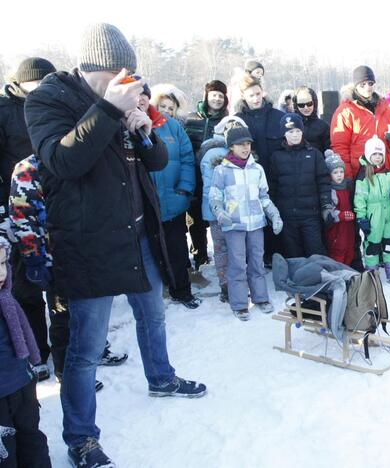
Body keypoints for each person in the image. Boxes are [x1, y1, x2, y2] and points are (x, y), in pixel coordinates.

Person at [24, 23, 207, 466]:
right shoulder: (49, 99)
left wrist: (144, 130)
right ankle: (81, 437)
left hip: (137, 233)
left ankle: (161, 377)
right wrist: (109, 109)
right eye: (120, 73)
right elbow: (62, 161)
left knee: (153, 315)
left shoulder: (119, 99)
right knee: (86, 350)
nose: (130, 81)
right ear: (94, 69)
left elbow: (159, 161)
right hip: (88, 244)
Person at [10, 152, 127, 391]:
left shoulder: (84, 158)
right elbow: (22, 218)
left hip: (91, 253)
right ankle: (67, 372)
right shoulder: (28, 168)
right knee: (63, 316)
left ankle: (95, 350)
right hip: (56, 259)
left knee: (94, 309)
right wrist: (34, 259)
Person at [0, 57, 56, 382]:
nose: (40, 88)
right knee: (27, 286)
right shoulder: (6, 109)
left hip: (56, 207)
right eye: (35, 83)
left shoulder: (56, 104)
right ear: (20, 83)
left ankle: (70, 349)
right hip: (16, 208)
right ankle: (38, 354)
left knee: (64, 288)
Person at [208, 126, 283, 321]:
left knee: (257, 261)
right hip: (234, 225)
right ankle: (240, 303)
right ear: (231, 146)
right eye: (240, 144)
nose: (245, 148)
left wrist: (274, 215)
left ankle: (261, 297)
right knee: (238, 263)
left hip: (256, 223)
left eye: (248, 144)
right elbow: (215, 197)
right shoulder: (221, 170)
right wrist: (220, 212)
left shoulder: (256, 169)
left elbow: (263, 196)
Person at [139, 86, 201, 308]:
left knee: (177, 247)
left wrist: (184, 190)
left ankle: (182, 291)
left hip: (173, 200)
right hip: (146, 204)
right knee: (151, 251)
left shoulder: (174, 128)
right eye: (162, 106)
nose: (165, 111)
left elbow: (186, 159)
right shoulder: (134, 125)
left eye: (170, 108)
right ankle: (157, 291)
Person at [0, 237, 51, 468]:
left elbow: (24, 338)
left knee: (32, 440)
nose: (1, 273)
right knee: (5, 453)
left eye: (2, 264)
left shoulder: (7, 300)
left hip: (22, 385)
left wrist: (30, 368)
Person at [235, 74, 285, 268]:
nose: (255, 98)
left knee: (277, 217)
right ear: (243, 96)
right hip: (250, 181)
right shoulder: (239, 120)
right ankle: (258, 259)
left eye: (258, 93)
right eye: (251, 95)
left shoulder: (278, 117)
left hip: (277, 178)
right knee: (256, 220)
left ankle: (277, 256)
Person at [199, 116, 249, 303]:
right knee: (224, 250)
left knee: (235, 250)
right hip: (219, 212)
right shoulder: (214, 155)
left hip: (237, 212)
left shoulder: (240, 152)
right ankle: (227, 286)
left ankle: (235, 284)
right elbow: (210, 188)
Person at [267, 113, 331, 258]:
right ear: (284, 134)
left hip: (310, 215)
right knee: (293, 255)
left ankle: (319, 279)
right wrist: (273, 212)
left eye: (298, 131)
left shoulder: (314, 154)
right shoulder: (277, 156)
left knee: (315, 252)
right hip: (287, 216)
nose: (295, 135)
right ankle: (298, 280)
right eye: (290, 131)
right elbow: (272, 186)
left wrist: (326, 205)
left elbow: (323, 181)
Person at [183, 80, 229, 270]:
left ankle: (222, 252)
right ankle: (200, 255)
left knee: (217, 211)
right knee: (195, 217)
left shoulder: (226, 121)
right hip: (194, 173)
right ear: (206, 96)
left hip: (216, 174)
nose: (217, 99)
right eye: (213, 95)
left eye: (220, 95)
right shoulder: (191, 119)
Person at [330, 66, 390, 181]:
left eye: (370, 83)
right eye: (362, 84)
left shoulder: (385, 107)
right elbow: (340, 147)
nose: (367, 87)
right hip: (360, 173)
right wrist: (347, 176)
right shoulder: (345, 111)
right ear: (356, 86)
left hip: (384, 171)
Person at [354, 136, 390, 285]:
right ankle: (372, 277)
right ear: (369, 155)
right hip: (373, 216)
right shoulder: (364, 175)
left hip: (389, 214)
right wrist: (361, 217)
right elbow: (360, 198)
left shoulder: (388, 172)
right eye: (374, 154)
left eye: (380, 154)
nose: (377, 157)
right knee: (372, 245)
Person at [323, 150, 356, 266]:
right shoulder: (331, 190)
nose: (339, 175)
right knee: (338, 251)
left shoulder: (347, 187)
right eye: (335, 172)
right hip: (337, 228)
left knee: (350, 250)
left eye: (341, 171)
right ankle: (339, 274)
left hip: (349, 227)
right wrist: (340, 215)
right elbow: (328, 211)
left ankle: (348, 273)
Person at [292, 86, 330, 153]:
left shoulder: (323, 126)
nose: (306, 108)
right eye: (301, 105)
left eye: (309, 104)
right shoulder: (290, 125)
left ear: (314, 103)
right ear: (296, 105)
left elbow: (328, 152)